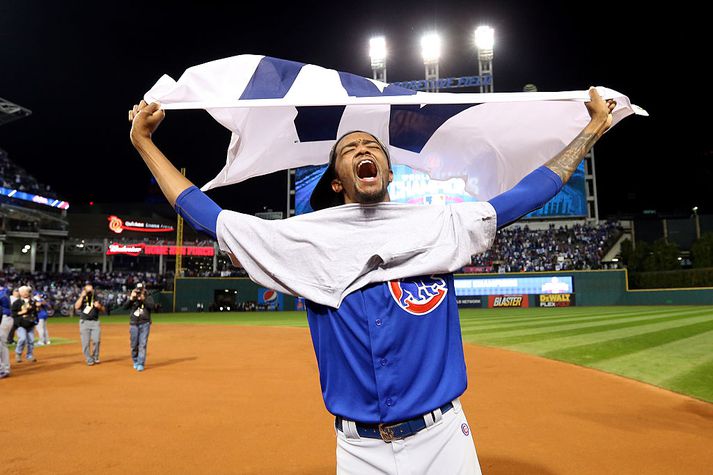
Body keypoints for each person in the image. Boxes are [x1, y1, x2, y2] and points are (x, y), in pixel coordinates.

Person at [129, 87, 615, 474]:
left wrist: (594, 127)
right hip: (359, 451)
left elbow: (530, 192)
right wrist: (145, 143)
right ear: (338, 181)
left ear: (386, 170)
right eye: (351, 148)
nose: (364, 149)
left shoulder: (437, 225)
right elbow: (204, 214)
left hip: (442, 439)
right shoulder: (302, 241)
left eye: (373, 147)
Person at [123, 282, 154, 372]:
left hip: (145, 323)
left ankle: (141, 363)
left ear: (144, 289)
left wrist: (144, 299)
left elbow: (152, 307)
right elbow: (124, 307)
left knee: (143, 344)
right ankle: (135, 360)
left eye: (141, 290)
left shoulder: (148, 297)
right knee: (134, 344)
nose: (139, 292)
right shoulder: (133, 298)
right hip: (134, 323)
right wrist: (131, 299)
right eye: (138, 290)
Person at [74, 283, 105, 366]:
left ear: (93, 290)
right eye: (87, 290)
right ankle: (89, 359)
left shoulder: (97, 298)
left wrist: (99, 307)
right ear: (84, 290)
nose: (89, 292)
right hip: (84, 322)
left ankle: (95, 357)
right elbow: (76, 307)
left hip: (95, 322)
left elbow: (104, 309)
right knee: (85, 342)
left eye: (90, 290)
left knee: (97, 340)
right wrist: (81, 296)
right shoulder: (82, 298)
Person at [13, 286, 37, 363]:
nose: (25, 293)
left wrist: (37, 308)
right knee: (22, 338)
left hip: (30, 323)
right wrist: (21, 312)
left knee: (31, 341)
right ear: (20, 293)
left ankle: (29, 355)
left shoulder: (32, 302)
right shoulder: (17, 302)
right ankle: (18, 353)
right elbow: (13, 313)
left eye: (26, 291)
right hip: (20, 324)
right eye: (23, 292)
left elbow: (35, 312)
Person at [0, 286, 13, 378]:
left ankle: (3, 369)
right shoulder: (4, 291)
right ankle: (4, 368)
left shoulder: (3, 293)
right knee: (2, 344)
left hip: (4, 318)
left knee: (1, 344)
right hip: (5, 318)